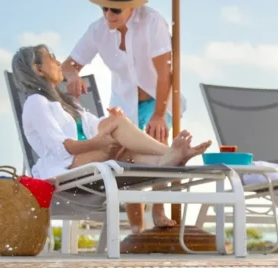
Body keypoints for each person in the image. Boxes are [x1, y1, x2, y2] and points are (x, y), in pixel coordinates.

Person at [61, 0, 188, 232]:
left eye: (115, 9)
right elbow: (68, 65)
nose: (108, 14)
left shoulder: (153, 22)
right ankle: (136, 227)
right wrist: (74, 76)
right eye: (104, 8)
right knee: (125, 157)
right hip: (122, 101)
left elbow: (165, 74)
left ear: (131, 7)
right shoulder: (97, 29)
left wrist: (159, 115)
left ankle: (159, 210)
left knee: (157, 141)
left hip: (158, 99)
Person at [13, 45, 210, 184]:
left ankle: (164, 160)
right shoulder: (35, 103)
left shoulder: (66, 102)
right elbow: (60, 148)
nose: (58, 61)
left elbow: (93, 125)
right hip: (64, 167)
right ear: (38, 69)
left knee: (117, 126)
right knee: (115, 137)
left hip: (86, 159)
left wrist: (114, 119)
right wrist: (99, 142)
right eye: (51, 57)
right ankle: (168, 154)